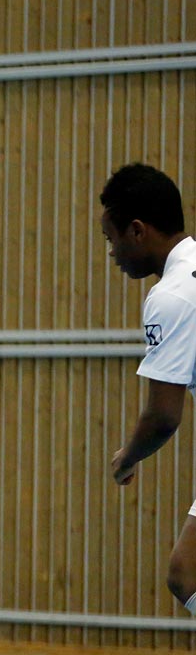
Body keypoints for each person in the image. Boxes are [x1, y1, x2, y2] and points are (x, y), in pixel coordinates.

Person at [101, 162, 196, 619]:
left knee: (188, 574)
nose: (112, 253)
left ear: (137, 231)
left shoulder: (171, 295)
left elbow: (163, 415)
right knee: (186, 572)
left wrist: (128, 457)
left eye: (111, 239)